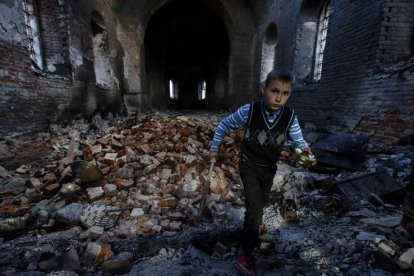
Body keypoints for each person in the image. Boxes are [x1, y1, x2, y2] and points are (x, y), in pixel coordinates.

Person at [209, 69, 313, 276]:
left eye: (285, 93)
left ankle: (255, 225)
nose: (279, 97)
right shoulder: (249, 111)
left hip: (269, 167)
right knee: (254, 208)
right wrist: (213, 149)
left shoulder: (290, 117)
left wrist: (305, 151)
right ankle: (246, 254)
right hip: (248, 165)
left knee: (262, 201)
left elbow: (299, 141)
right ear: (263, 89)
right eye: (274, 91)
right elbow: (223, 125)